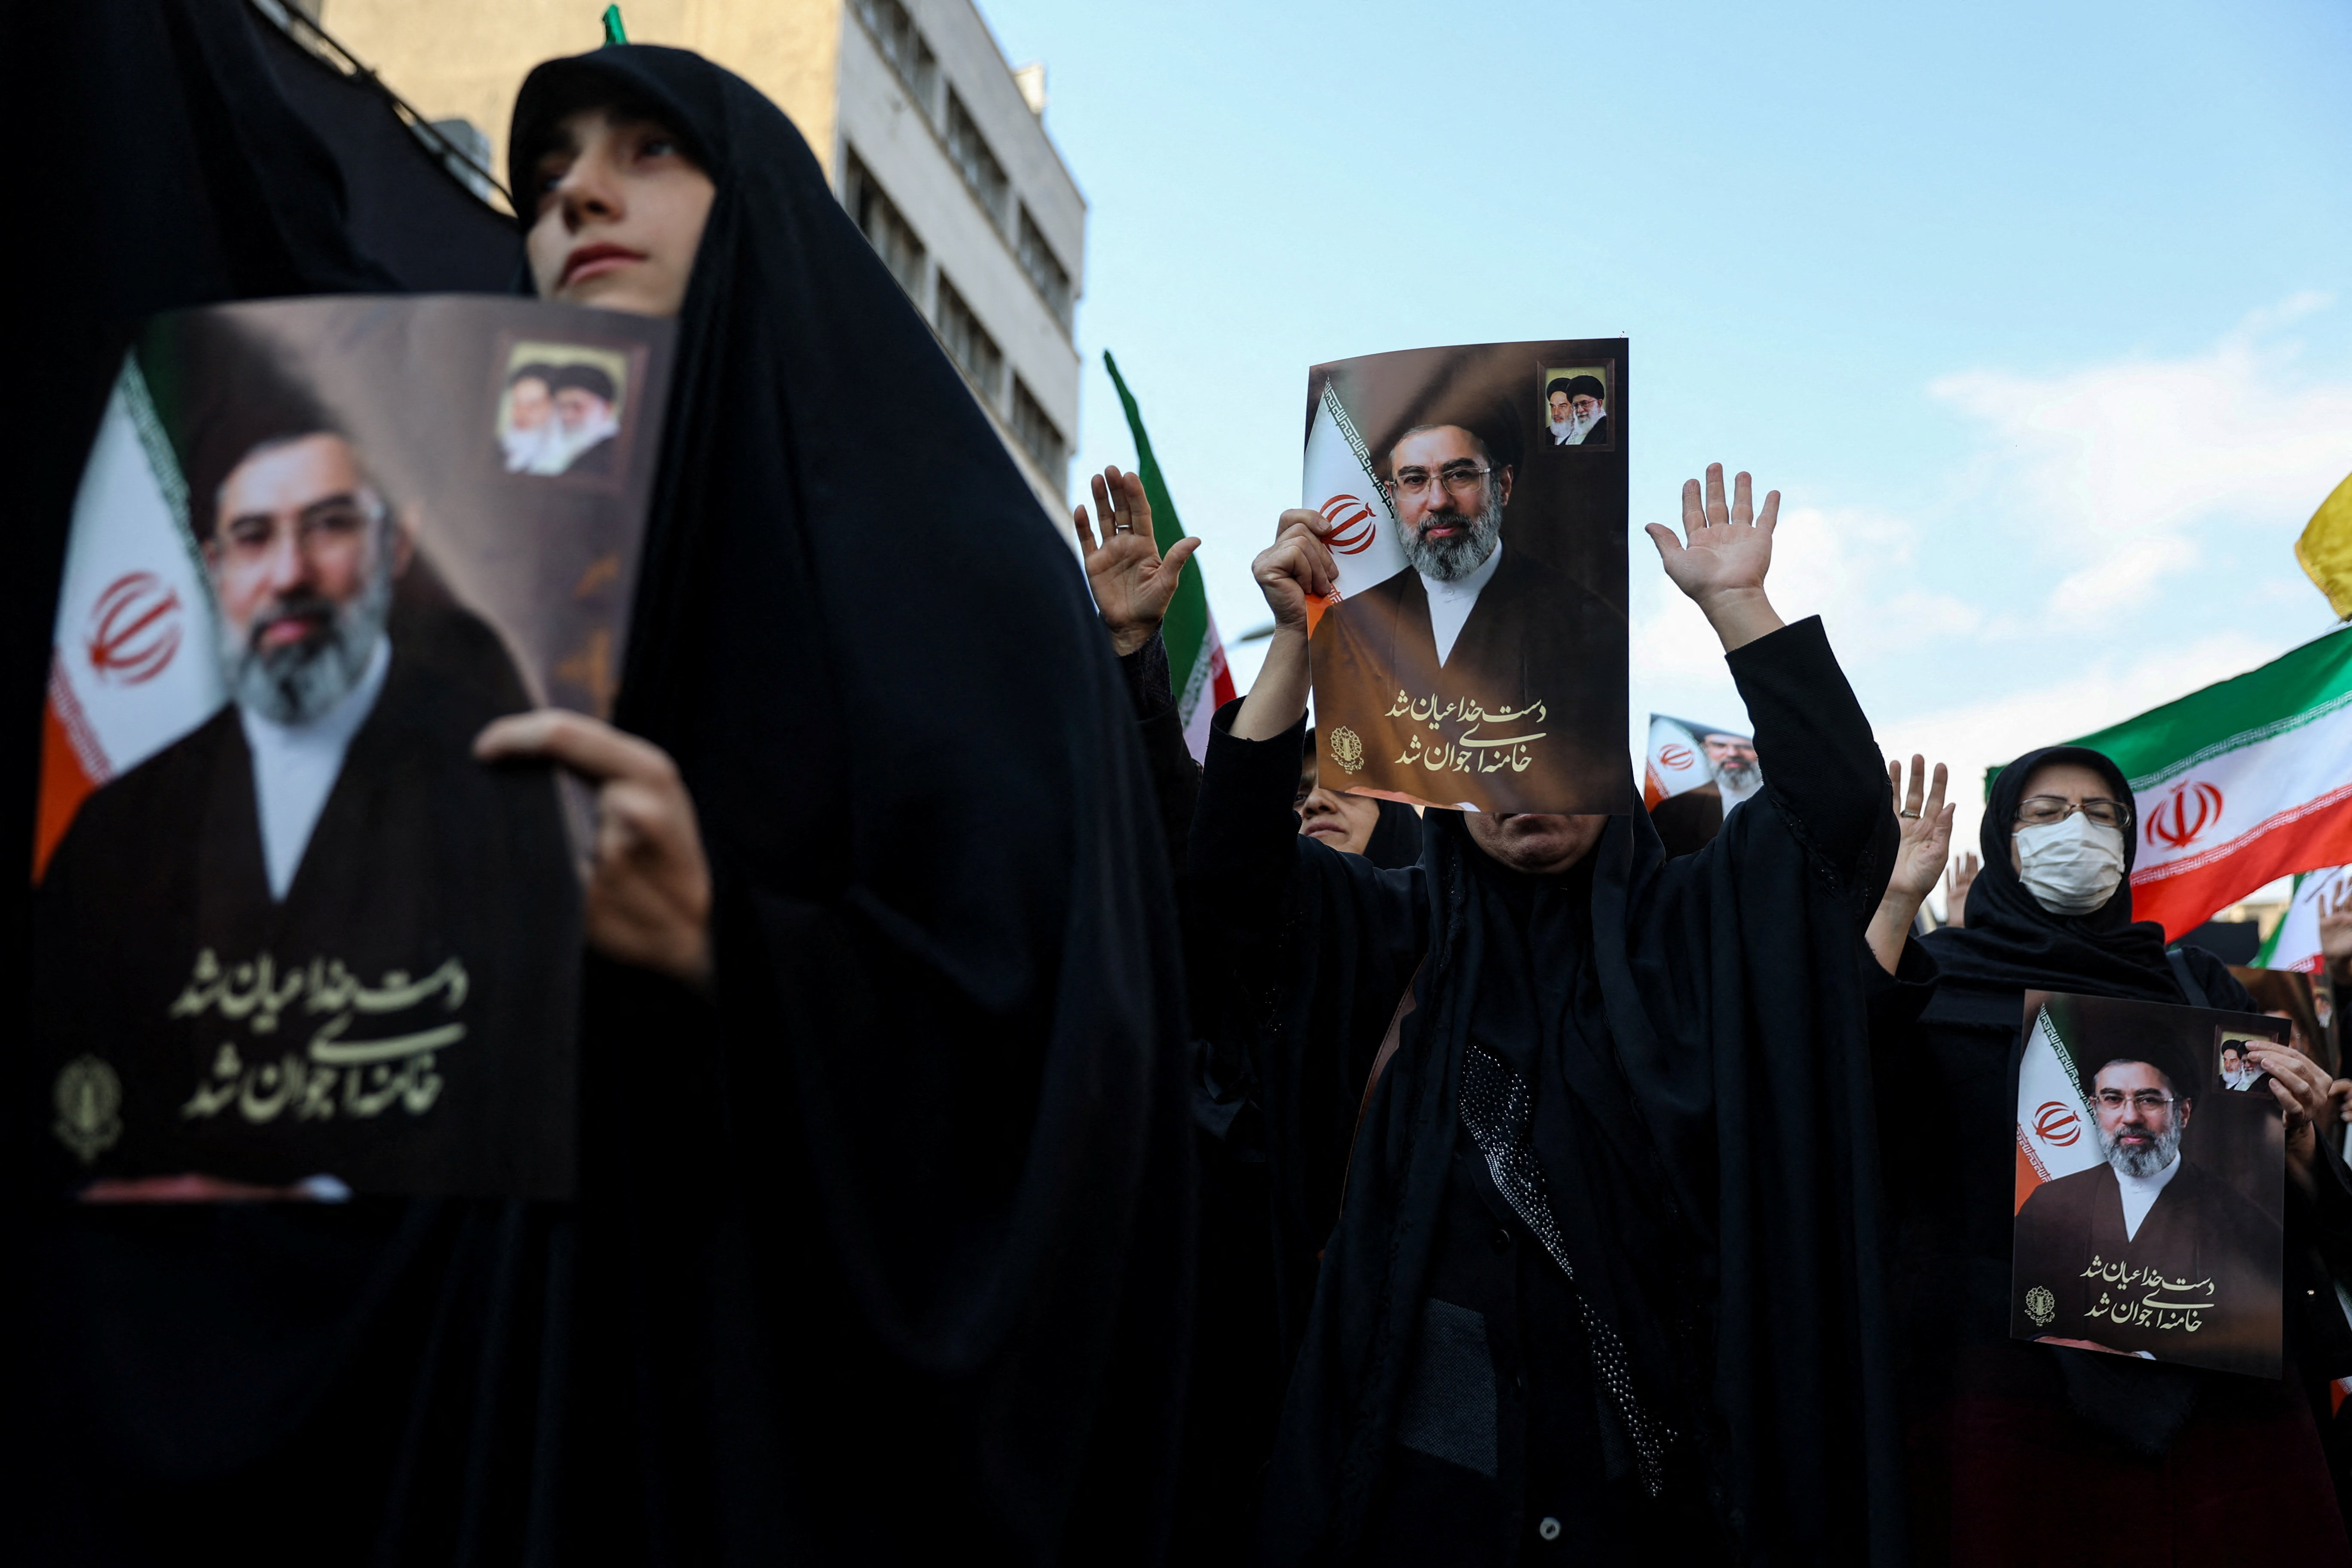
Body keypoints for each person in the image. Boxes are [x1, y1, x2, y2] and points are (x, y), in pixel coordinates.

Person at [477, 46, 1197, 1562]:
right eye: (542, 182)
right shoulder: (495, 577)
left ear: (765, 210)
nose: (578, 197)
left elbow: (1070, 1054)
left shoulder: (963, 573)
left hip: (797, 1428)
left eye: (649, 152)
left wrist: (733, 948)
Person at [1196, 464, 1907, 1563]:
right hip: (1414, 1507)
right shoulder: (1392, 938)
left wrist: (1736, 606)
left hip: (1649, 1510)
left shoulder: (1691, 933)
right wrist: (1297, 643)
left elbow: (1838, 818)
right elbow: (1235, 884)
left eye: (1547, 737)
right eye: (1487, 752)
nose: (1521, 780)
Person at [32, 395, 576, 1195]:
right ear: (214, 567)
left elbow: (535, 1103)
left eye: (329, 525)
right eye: (252, 538)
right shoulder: (119, 826)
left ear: (397, 542)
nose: (290, 574)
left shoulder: (513, 788)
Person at [1884, 744, 2352, 1566]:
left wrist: (2302, 1138)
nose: (2080, 830)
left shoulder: (2196, 985)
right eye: (2047, 812)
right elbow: (1850, 1110)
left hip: (2222, 1402)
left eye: (2103, 815)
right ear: (2004, 837)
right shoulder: (1935, 985)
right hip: (2008, 1398)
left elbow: (2275, 1183)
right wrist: (1891, 906)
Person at [1306, 409, 1625, 814]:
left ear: (1504, 485)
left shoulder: (1588, 625)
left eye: (1460, 475)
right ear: (1392, 496)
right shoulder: (1346, 627)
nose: (1438, 501)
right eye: (1415, 480)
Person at [2009, 1042, 2281, 1377]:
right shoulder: (2049, 1203)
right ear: (2095, 1108)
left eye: (2149, 1100)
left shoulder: (2243, 1224)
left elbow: (2254, 1345)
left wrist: (2143, 1362)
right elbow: (2012, 1303)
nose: (2130, 1117)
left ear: (2183, 1112)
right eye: (2112, 1099)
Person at [547, 361, 621, 474]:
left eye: (577, 407)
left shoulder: (619, 453)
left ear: (607, 408)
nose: (566, 416)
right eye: (561, 407)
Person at [499, 361, 560, 471]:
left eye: (533, 405)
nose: (521, 413)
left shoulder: (563, 460)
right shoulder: (497, 450)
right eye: (517, 403)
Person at [1700, 727, 1762, 805]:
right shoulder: (1689, 798)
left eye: (1746, 747)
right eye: (1720, 745)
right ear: (1705, 748)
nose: (1732, 754)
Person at [1545, 373, 1610, 446]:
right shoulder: (1579, 431)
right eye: (1576, 405)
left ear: (1599, 403)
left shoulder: (1608, 431)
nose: (1580, 410)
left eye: (1585, 403)